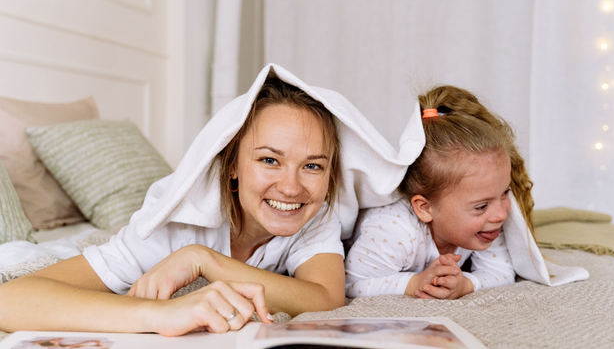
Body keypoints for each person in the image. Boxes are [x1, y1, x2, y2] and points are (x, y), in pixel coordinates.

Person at [0, 65, 420, 336]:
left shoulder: (314, 210)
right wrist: (160, 316)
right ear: (232, 164)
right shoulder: (171, 229)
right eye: (269, 160)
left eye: (312, 166)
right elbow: (9, 300)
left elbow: (326, 296)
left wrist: (205, 262)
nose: (292, 188)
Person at [344, 85, 535, 299]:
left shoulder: (488, 223)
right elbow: (350, 283)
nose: (501, 214)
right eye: (481, 206)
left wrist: (467, 283)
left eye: (505, 193)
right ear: (425, 208)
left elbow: (500, 271)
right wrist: (413, 282)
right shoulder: (394, 230)